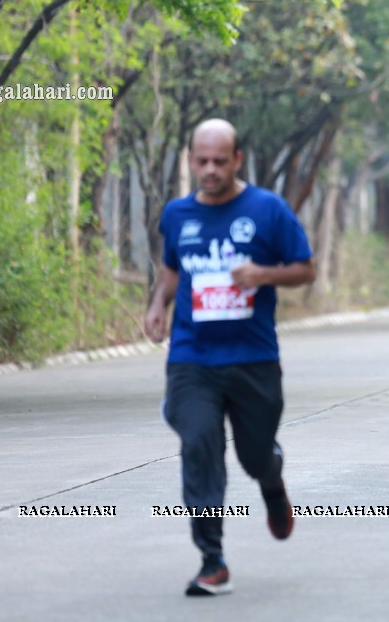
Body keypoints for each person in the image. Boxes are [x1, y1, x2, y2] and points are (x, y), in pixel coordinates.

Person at [143, 119, 316, 597]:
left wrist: (261, 273)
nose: (210, 169)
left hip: (253, 357)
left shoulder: (267, 210)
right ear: (191, 160)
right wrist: (158, 304)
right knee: (198, 443)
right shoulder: (177, 214)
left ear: (237, 159)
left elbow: (305, 269)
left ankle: (271, 479)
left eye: (220, 161)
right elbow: (173, 267)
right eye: (202, 161)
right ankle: (212, 559)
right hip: (192, 358)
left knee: (254, 453)